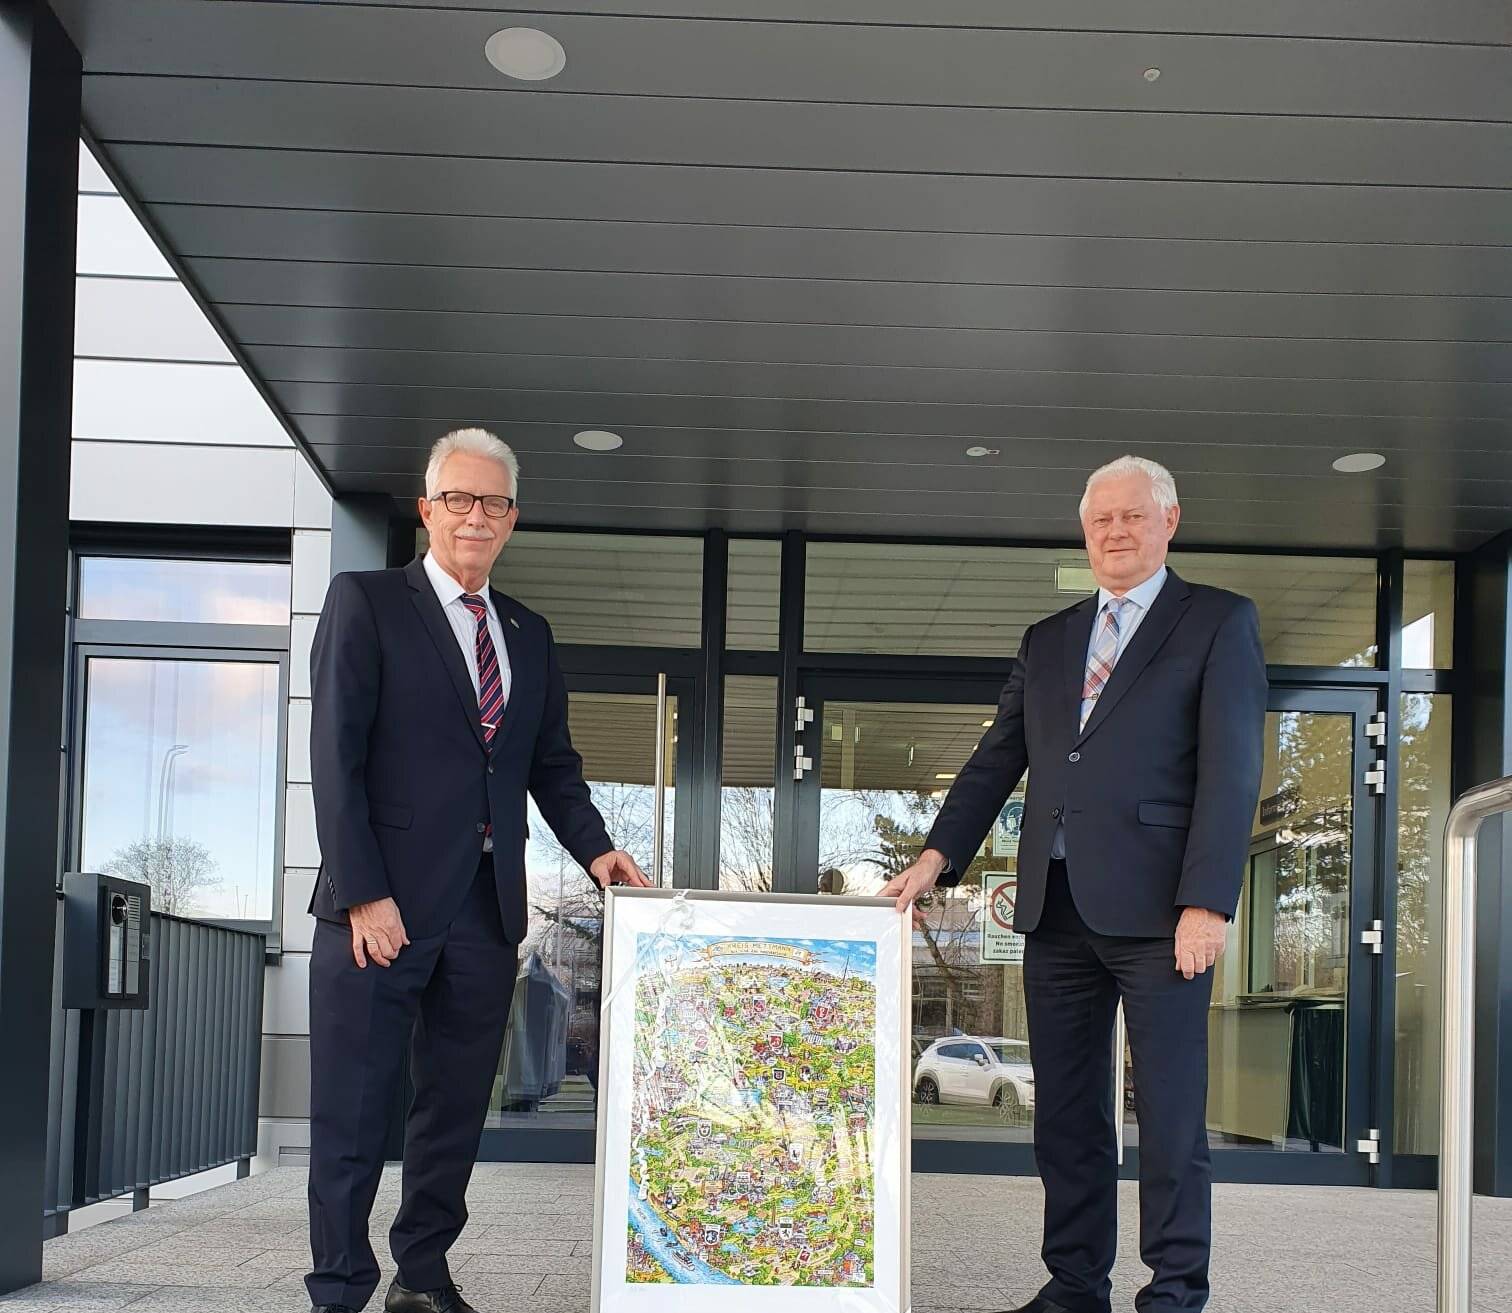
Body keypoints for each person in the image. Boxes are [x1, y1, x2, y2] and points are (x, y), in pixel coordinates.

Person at [882, 456, 1266, 1313]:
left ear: (1170, 520)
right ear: (1085, 530)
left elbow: (1232, 771)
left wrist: (1208, 899)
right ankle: (1075, 1284)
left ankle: (1173, 1291)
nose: (1116, 533)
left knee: (1168, 1118)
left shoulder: (1217, 622)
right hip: (1054, 912)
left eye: (1133, 516)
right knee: (1067, 1119)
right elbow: (995, 762)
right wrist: (936, 857)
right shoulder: (1049, 638)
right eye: (1101, 521)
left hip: (1164, 914)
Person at [305, 427, 649, 1313]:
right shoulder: (367, 602)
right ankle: (339, 1287)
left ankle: (421, 1272)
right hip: (377, 908)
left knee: (452, 1112)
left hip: (486, 913)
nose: (475, 516)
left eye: (493, 502)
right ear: (427, 510)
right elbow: (334, 757)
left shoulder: (528, 633)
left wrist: (598, 848)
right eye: (458, 498)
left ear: (511, 520)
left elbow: (552, 767)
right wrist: (363, 893)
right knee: (353, 1110)